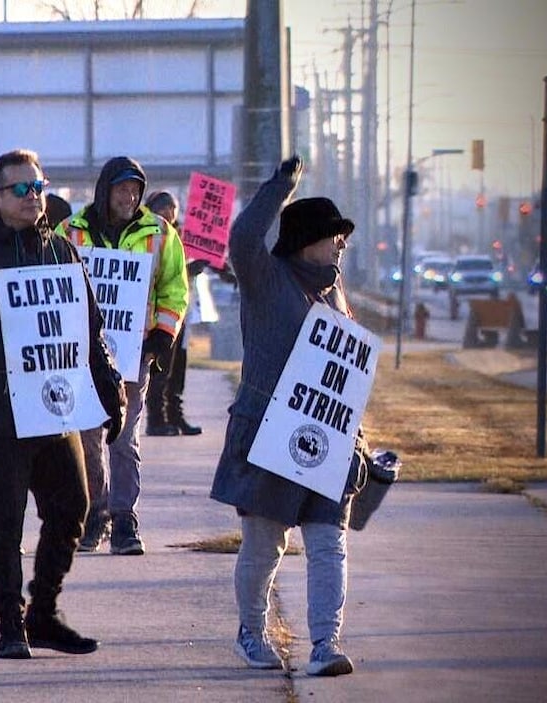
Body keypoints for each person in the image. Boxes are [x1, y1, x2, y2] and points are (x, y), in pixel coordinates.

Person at [0, 148, 125, 659]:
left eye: (39, 186)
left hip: (56, 411)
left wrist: (110, 389)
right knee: (5, 521)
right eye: (21, 188)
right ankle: (10, 622)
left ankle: (44, 612)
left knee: (73, 506)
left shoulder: (62, 251)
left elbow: (90, 329)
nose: (34, 196)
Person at [209, 155, 363, 677]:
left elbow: (345, 377)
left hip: (328, 439)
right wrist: (280, 187)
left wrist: (358, 442)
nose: (341, 242)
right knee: (265, 545)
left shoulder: (336, 292)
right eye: (333, 234)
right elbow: (242, 241)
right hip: (267, 435)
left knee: (328, 543)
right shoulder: (266, 279)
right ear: (304, 239)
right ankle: (251, 632)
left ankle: (325, 645)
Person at [56, 157, 188, 555]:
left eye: (135, 190)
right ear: (105, 190)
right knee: (89, 438)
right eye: (122, 189)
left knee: (124, 438)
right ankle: (95, 516)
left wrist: (163, 337)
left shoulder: (160, 234)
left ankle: (125, 519)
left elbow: (174, 289)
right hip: (82, 357)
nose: (130, 197)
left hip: (134, 355)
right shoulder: (69, 233)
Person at [143, 189, 205, 437]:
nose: (169, 213)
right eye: (163, 208)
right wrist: (189, 270)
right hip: (159, 315)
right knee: (160, 369)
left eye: (173, 208)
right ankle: (156, 419)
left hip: (182, 313)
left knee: (177, 369)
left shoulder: (180, 236)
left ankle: (175, 416)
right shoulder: (149, 235)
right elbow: (158, 273)